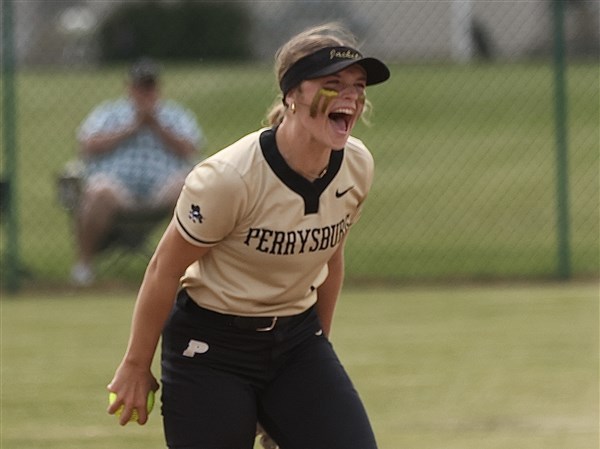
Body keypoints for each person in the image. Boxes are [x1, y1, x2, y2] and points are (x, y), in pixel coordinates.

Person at [106, 23, 390, 449]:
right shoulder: (230, 178)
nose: (350, 95)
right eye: (333, 84)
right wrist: (135, 364)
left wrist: (316, 361)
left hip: (296, 343)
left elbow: (330, 259)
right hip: (211, 348)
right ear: (292, 95)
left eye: (358, 85)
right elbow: (166, 267)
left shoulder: (356, 165)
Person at [71, 58, 204, 286]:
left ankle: (183, 268)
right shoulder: (109, 113)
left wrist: (156, 125)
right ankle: (84, 266)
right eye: (140, 87)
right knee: (99, 189)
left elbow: (191, 149)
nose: (145, 92)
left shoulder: (174, 115)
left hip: (160, 191)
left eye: (149, 87)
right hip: (118, 191)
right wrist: (131, 127)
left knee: (188, 185)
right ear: (129, 88)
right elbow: (87, 145)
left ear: (158, 88)